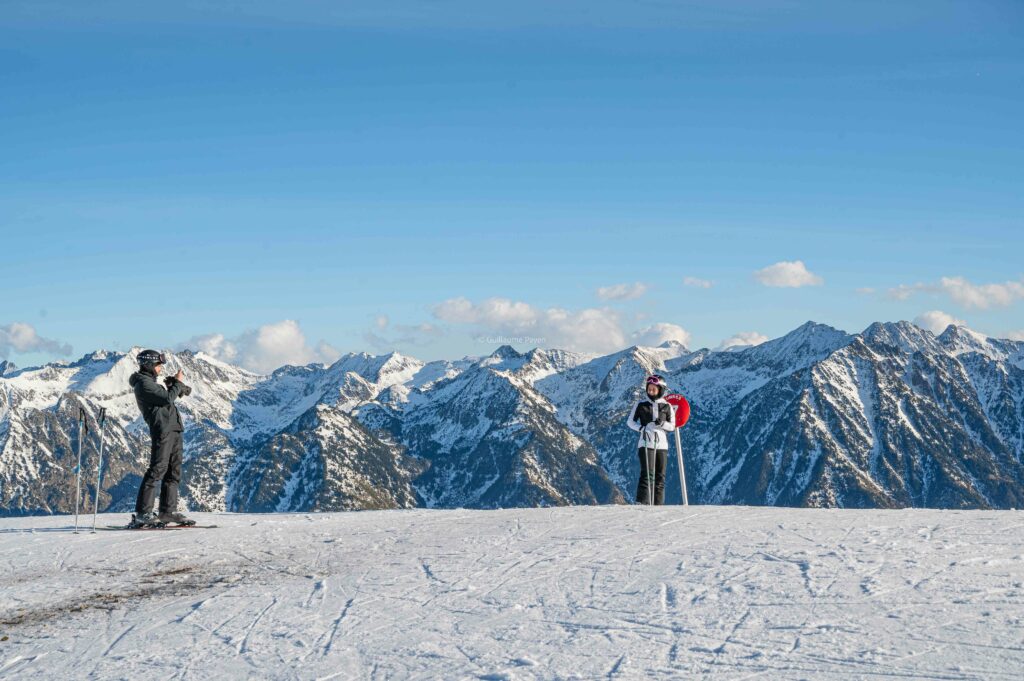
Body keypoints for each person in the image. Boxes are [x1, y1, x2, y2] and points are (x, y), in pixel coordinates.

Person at [128, 349, 194, 528]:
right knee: (157, 469)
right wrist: (176, 385)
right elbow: (166, 399)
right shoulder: (143, 384)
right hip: (162, 431)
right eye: (158, 365)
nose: (160, 368)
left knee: (173, 472)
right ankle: (144, 513)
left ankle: (167, 512)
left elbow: (175, 394)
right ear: (148, 365)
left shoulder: (152, 383)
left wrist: (177, 386)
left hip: (173, 430)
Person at [626, 374, 676, 505]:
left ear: (661, 390)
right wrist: (641, 428)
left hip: (662, 445)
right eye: (649, 388)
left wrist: (662, 424)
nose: (651, 391)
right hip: (645, 442)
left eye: (654, 389)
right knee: (647, 474)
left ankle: (658, 505)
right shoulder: (641, 404)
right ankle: (642, 503)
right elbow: (630, 422)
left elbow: (672, 426)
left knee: (660, 477)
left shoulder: (667, 406)